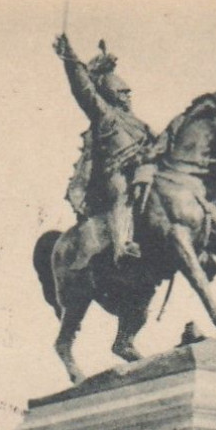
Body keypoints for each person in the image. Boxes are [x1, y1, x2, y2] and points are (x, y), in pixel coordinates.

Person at [53, 34, 155, 266]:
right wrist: (70, 58)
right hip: (113, 173)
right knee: (122, 192)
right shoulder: (105, 115)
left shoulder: (138, 123)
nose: (128, 97)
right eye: (122, 93)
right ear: (111, 94)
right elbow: (83, 88)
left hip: (142, 170)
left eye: (129, 92)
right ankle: (122, 247)